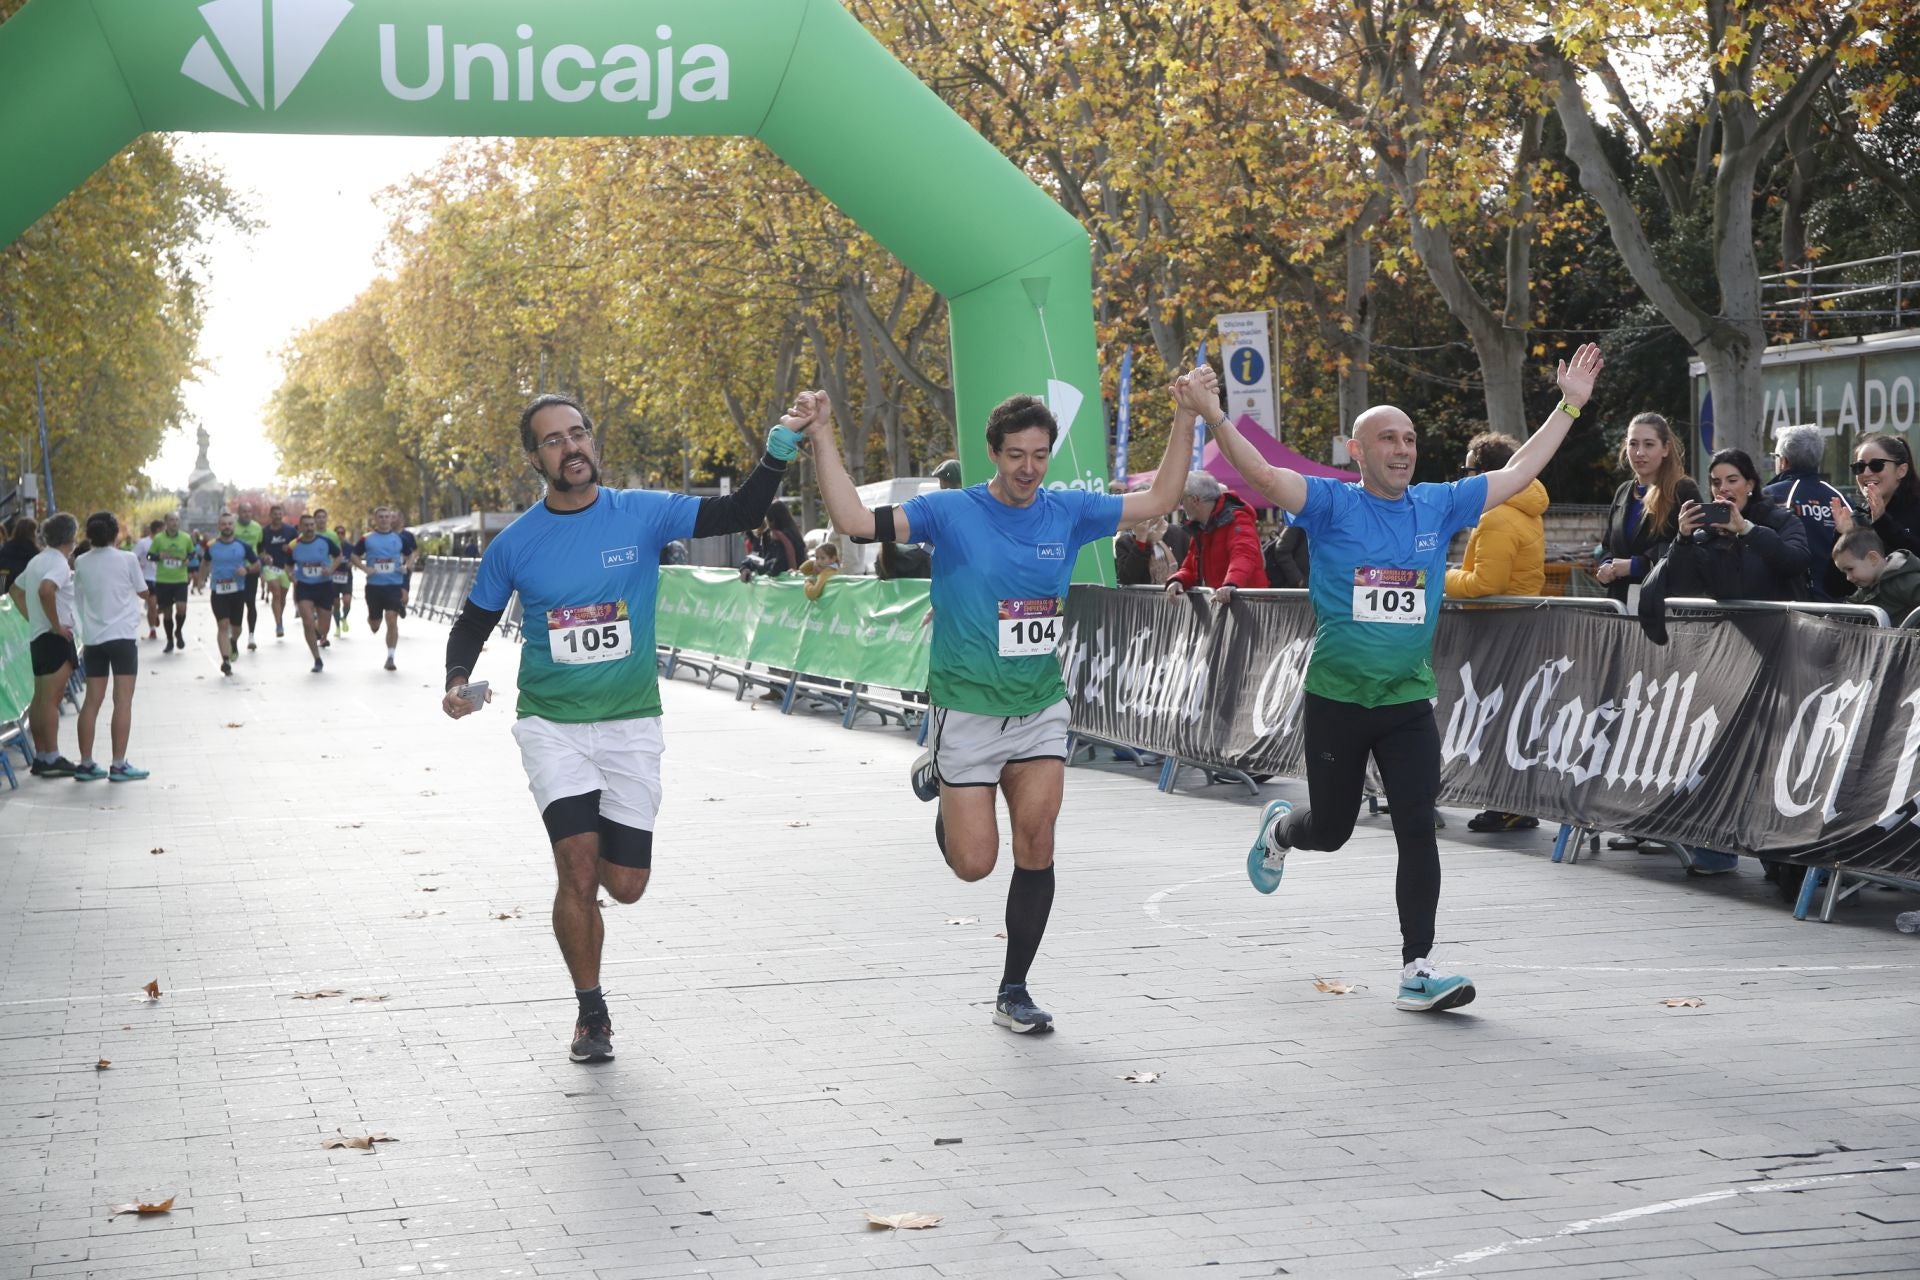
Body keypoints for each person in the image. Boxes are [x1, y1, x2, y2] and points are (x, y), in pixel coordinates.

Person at [1223, 345, 1605, 1013]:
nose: (1402, 450)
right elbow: (1260, 470)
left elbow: (1519, 472)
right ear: (1358, 450)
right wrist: (1212, 414)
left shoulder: (1438, 505)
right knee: (1334, 828)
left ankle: (1417, 967)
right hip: (1338, 701)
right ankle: (1284, 832)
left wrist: (1570, 403)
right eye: (1388, 439)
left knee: (1416, 826)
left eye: (1410, 439)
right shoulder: (1330, 505)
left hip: (1406, 703)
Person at [809, 380, 1196, 1035]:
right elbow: (853, 521)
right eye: (1016, 454)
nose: (1028, 468)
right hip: (967, 709)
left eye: (1040, 454)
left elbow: (1160, 497)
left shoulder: (1068, 510)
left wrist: (1188, 413)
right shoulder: (952, 512)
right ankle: (941, 776)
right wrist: (821, 435)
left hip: (1040, 705)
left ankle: (1014, 989)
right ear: (993, 452)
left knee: (1037, 844)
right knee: (973, 865)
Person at [441, 392, 802, 1064]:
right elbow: (474, 620)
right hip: (553, 725)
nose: (571, 447)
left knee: (625, 885)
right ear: (536, 457)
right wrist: (456, 681)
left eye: (578, 434)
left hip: (631, 723)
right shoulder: (516, 542)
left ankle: (601, 862)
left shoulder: (641, 512)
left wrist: (782, 442)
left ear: (592, 441)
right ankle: (591, 1011)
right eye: (554, 440)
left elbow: (741, 511)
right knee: (576, 869)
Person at [1444, 432, 1548, 834]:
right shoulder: (1522, 508)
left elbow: (1485, 582)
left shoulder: (1498, 514)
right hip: (1514, 624)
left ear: (1487, 474)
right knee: (1509, 715)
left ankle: (1506, 804)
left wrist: (1441, 577)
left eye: (1470, 470)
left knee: (1498, 715)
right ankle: (1512, 802)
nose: (1465, 478)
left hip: (1499, 625)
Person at [1664, 448, 1810, 603]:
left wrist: (1747, 530)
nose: (1723, 488)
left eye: (1732, 480)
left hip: (1778, 623)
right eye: (1716, 482)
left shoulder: (1782, 520)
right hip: (1727, 625)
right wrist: (1683, 540)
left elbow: (1796, 562)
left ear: (1750, 485)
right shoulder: (1704, 533)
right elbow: (1682, 586)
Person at [70, 513, 151, 781]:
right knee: (123, 701)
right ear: (115, 534)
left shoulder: (81, 561)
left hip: (94, 639)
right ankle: (118, 764)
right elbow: (142, 590)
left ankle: (85, 763)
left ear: (89, 535)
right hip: (123, 637)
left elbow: (78, 596)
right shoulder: (127, 559)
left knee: (91, 701)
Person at [1594, 412, 1700, 605]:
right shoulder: (1623, 491)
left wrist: (1638, 565)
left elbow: (1694, 548)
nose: (1639, 452)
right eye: (1633, 444)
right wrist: (1605, 565)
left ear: (1665, 449)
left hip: (1662, 607)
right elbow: (1608, 545)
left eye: (1649, 444)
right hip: (1620, 606)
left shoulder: (1682, 489)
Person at [10, 512, 79, 777]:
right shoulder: (59, 563)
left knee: (40, 699)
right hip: (54, 637)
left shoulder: (37, 560)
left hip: (40, 637)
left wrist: (34, 618)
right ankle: (51, 756)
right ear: (70, 538)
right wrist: (55, 624)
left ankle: (42, 755)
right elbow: (46, 590)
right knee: (51, 700)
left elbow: (16, 592)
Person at [1765, 423, 1849, 600]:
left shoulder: (1770, 496)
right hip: (1841, 604)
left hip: (1790, 605)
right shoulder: (1841, 499)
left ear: (1783, 460)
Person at [1165, 471, 1269, 602]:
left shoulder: (1237, 518)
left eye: (1182, 500)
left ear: (1194, 500)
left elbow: (1244, 554)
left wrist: (1231, 584)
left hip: (1249, 604)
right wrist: (1178, 580)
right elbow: (1191, 568)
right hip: (1226, 603)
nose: (1181, 505)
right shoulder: (1200, 528)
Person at [1831, 433, 1920, 559]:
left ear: (1901, 470)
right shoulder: (1857, 517)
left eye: (1876, 465)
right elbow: (1840, 576)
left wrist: (1882, 521)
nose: (1866, 473)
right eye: (1859, 467)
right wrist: (1843, 537)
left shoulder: (1915, 509)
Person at [352, 506, 418, 671]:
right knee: (375, 625)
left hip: (393, 585)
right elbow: (354, 555)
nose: (384, 519)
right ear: (375, 519)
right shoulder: (367, 539)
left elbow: (410, 555)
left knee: (391, 618)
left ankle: (390, 657)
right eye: (380, 517)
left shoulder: (399, 538)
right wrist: (365, 568)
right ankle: (372, 619)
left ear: (391, 519)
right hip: (374, 587)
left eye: (387, 517)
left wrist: (406, 566)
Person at [203, 512, 260, 676]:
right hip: (218, 591)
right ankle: (226, 660)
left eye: (229, 524)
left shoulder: (243, 546)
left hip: (237, 591)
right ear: (219, 527)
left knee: (237, 628)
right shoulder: (212, 545)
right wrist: (201, 580)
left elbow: (257, 564)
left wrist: (247, 569)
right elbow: (205, 562)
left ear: (233, 526)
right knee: (222, 625)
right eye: (223, 524)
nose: (227, 527)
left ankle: (233, 641)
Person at [288, 513, 343, 672]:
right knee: (308, 622)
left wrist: (331, 569)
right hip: (304, 586)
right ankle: (317, 658)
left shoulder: (325, 541)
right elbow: (288, 565)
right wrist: (291, 576)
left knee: (323, 628)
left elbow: (339, 556)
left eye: (312, 525)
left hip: (324, 586)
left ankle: (319, 631)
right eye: (306, 525)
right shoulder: (294, 545)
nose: (310, 528)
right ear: (300, 527)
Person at [1834, 528, 1920, 626]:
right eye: (1844, 572)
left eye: (1850, 569)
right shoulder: (1866, 589)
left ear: (1873, 558)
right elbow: (1849, 610)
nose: (1848, 578)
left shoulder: (1904, 581)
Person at [146, 512, 197, 653]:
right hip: (163, 580)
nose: (174, 523)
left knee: (181, 608)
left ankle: (178, 631)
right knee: (167, 613)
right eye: (171, 520)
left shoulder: (185, 538)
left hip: (180, 579)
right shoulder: (159, 539)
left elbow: (192, 553)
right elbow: (149, 556)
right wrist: (158, 556)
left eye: (176, 520)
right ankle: (169, 640)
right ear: (166, 523)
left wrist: (188, 559)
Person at [1114, 481, 1183, 586]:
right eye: (1140, 506)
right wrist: (1141, 539)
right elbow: (1127, 578)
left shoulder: (1178, 533)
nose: (1146, 511)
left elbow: (1189, 569)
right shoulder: (1125, 542)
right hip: (1143, 601)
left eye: (1149, 505)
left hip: (1177, 599)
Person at [259, 504, 297, 638]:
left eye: (280, 514)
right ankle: (278, 624)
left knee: (282, 597)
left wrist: (290, 549)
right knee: (275, 592)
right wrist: (265, 557)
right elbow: (260, 550)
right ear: (270, 515)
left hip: (285, 567)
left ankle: (279, 618)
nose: (278, 516)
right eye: (275, 514)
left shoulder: (290, 530)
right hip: (270, 567)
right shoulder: (265, 532)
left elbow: (298, 545)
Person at [232, 501, 265, 647]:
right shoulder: (232, 526)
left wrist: (263, 562)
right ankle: (233, 632)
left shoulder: (257, 527)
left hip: (251, 569)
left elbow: (260, 547)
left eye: (249, 511)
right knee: (235, 602)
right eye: (244, 511)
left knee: (250, 602)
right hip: (234, 570)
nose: (247, 514)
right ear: (238, 513)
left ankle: (251, 635)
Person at [740, 503, 803, 579]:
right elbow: (760, 558)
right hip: (799, 582)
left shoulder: (778, 536)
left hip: (783, 585)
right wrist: (747, 565)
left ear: (771, 520)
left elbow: (776, 566)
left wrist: (748, 566)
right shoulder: (796, 535)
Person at [133, 519, 161, 639]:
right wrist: (139, 565)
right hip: (148, 578)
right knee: (152, 605)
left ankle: (156, 613)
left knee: (165, 606)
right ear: (158, 530)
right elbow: (133, 556)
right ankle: (152, 630)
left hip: (164, 578)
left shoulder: (166, 543)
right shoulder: (143, 543)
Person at [0, 515, 38, 596]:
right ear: (31, 532)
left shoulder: (7, 546)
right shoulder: (33, 550)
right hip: (24, 589)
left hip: (6, 586)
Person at [331, 522, 355, 637]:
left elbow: (356, 557)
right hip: (334, 578)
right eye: (338, 533)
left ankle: (344, 618)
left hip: (346, 577)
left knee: (347, 601)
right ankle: (337, 627)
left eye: (342, 533)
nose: (340, 535)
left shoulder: (349, 547)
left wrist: (352, 562)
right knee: (336, 604)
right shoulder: (331, 546)